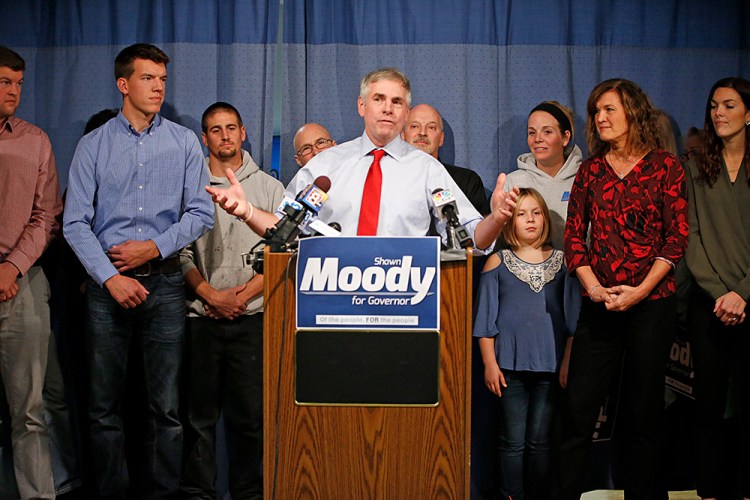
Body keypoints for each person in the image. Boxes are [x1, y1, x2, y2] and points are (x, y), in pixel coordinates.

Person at [63, 43, 214, 497]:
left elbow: (200, 213)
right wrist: (110, 278)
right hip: (106, 288)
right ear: (123, 84)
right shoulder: (93, 145)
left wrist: (152, 247)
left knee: (165, 408)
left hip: (166, 284)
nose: (158, 87)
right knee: (103, 407)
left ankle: (162, 493)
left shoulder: (185, 141)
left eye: (163, 79)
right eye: (148, 78)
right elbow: (73, 222)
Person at [556, 78, 688, 500]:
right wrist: (594, 288)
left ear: (633, 113)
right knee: (578, 412)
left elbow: (676, 239)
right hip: (599, 306)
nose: (601, 118)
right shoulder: (591, 170)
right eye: (597, 111)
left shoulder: (667, 167)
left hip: (652, 307)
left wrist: (639, 291)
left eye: (609, 109)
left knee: (642, 415)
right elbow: (574, 237)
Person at [208, 67, 518, 248]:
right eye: (378, 99)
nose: (387, 108)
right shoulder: (325, 167)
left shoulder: (427, 170)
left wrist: (497, 219)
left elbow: (471, 238)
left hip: (403, 306)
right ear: (361, 106)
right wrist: (247, 210)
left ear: (406, 113)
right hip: (330, 302)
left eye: (397, 102)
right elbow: (282, 225)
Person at [180, 102, 284, 499]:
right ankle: (197, 493)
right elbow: (182, 253)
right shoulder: (190, 188)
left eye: (230, 128)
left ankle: (249, 492)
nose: (224, 136)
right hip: (201, 318)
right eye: (214, 130)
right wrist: (209, 295)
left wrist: (242, 296)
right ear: (204, 138)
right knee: (197, 418)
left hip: (252, 318)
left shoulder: (271, 189)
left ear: (243, 132)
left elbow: (284, 251)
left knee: (250, 419)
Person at [474, 188, 575, 500]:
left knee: (540, 440)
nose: (530, 220)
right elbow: (485, 322)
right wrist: (490, 364)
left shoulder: (564, 263)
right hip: (508, 368)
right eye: (521, 214)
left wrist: (568, 361)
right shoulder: (497, 262)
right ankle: (511, 494)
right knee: (513, 440)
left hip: (550, 365)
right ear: (509, 222)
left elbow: (572, 322)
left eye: (536, 213)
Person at [0, 44, 62, 500]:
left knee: (30, 411)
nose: (13, 92)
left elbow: (46, 217)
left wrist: (12, 267)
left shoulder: (34, 140)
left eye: (19, 84)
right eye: (4, 82)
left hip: (19, 285)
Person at [685, 77, 750, 500]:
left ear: (749, 113)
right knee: (707, 408)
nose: (718, 113)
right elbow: (689, 237)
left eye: (728, 105)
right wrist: (720, 293)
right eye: (713, 105)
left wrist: (744, 292)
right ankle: (708, 494)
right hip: (708, 304)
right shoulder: (694, 165)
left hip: (749, 300)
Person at [505, 101, 583, 249]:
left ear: (565, 138)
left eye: (547, 132)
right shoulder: (513, 182)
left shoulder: (585, 179)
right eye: (532, 132)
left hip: (578, 270)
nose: (537, 139)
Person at [402, 103, 490, 214]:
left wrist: (495, 219)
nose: (423, 133)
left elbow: (478, 229)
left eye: (431, 127)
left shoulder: (467, 182)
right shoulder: (389, 179)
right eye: (414, 126)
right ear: (403, 135)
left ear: (441, 139)